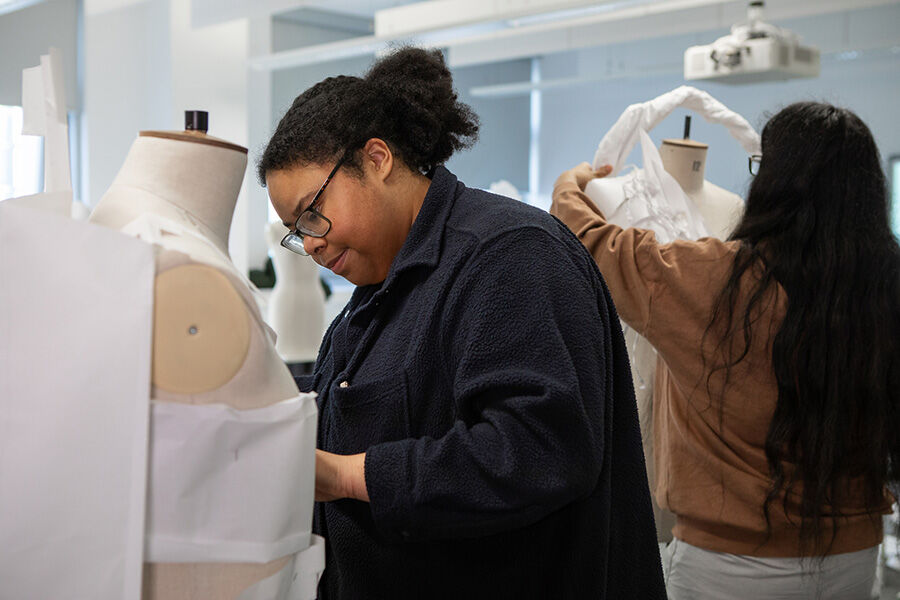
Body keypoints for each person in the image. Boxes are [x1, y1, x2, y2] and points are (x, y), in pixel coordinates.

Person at [257, 47, 665, 599]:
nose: (310, 241)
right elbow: (353, 401)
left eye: (313, 212)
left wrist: (348, 476)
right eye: (295, 230)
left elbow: (540, 450)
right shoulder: (380, 286)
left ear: (377, 158)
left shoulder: (510, 256)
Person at [551, 101, 900, 599]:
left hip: (733, 564)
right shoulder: (885, 291)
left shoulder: (714, 280)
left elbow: (592, 242)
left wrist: (572, 182)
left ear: (775, 182)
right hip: (854, 555)